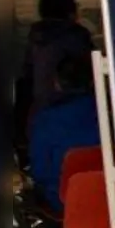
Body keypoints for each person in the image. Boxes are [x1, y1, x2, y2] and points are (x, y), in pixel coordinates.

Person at [26, 54, 101, 213]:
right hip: (109, 198)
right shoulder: (109, 114)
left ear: (57, 83)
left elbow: (40, 171)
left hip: (63, 203)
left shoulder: (45, 120)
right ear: (93, 81)